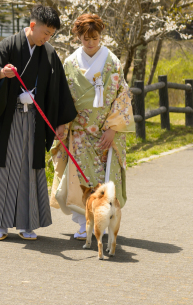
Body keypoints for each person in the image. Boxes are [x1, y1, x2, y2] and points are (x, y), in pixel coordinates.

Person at [0, 5, 78, 240]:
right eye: (45, 32)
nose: (47, 38)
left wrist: (61, 121)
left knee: (30, 169)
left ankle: (27, 223)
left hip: (34, 120)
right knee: (5, 167)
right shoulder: (8, 46)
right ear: (33, 26)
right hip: (9, 119)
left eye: (51, 34)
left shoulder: (49, 53)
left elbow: (59, 88)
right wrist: (2, 73)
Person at [50, 13, 135, 239]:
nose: (90, 43)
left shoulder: (112, 62)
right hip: (78, 132)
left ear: (100, 36)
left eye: (95, 38)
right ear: (78, 37)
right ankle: (83, 224)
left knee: (102, 179)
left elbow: (122, 96)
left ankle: (101, 220)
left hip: (105, 133)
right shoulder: (70, 63)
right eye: (85, 39)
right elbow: (63, 97)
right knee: (79, 180)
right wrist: (62, 124)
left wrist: (113, 129)